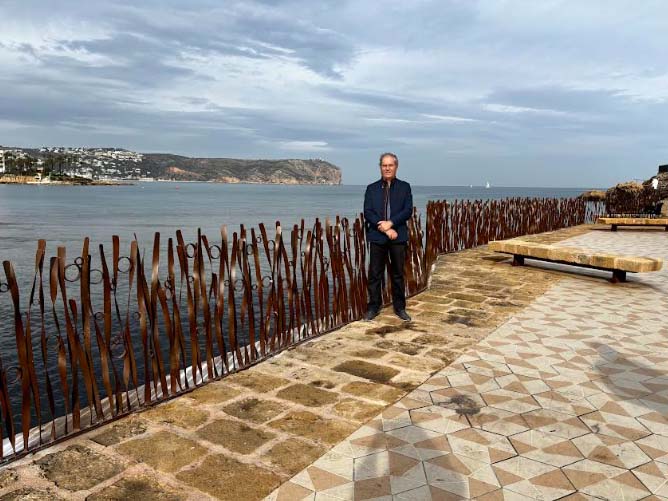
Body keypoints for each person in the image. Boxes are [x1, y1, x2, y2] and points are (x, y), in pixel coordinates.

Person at [363, 152, 413, 321]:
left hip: (398, 237)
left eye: (390, 165)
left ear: (396, 167)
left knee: (398, 274)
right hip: (378, 236)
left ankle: (400, 308)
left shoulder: (405, 187)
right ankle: (373, 307)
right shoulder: (371, 188)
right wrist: (384, 228)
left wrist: (391, 223)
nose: (387, 168)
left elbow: (407, 211)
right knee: (375, 274)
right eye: (384, 165)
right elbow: (368, 213)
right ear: (380, 167)